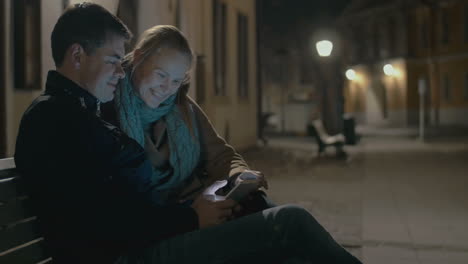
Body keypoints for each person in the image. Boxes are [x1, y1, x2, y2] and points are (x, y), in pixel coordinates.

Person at [15, 3, 361, 264]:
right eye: (113, 61)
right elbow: (107, 223)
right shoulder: (62, 118)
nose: (119, 73)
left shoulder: (77, 113)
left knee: (263, 211)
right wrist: (192, 216)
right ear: (77, 55)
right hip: (135, 252)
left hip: (150, 238)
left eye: (177, 80)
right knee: (289, 223)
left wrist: (219, 196)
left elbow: (115, 210)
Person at [102, 25, 271, 216]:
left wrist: (239, 175)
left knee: (262, 206)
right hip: (166, 220)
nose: (167, 88)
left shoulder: (181, 105)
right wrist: (192, 215)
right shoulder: (108, 103)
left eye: (176, 81)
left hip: (201, 202)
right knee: (285, 221)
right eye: (161, 75)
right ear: (139, 57)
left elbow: (220, 155)